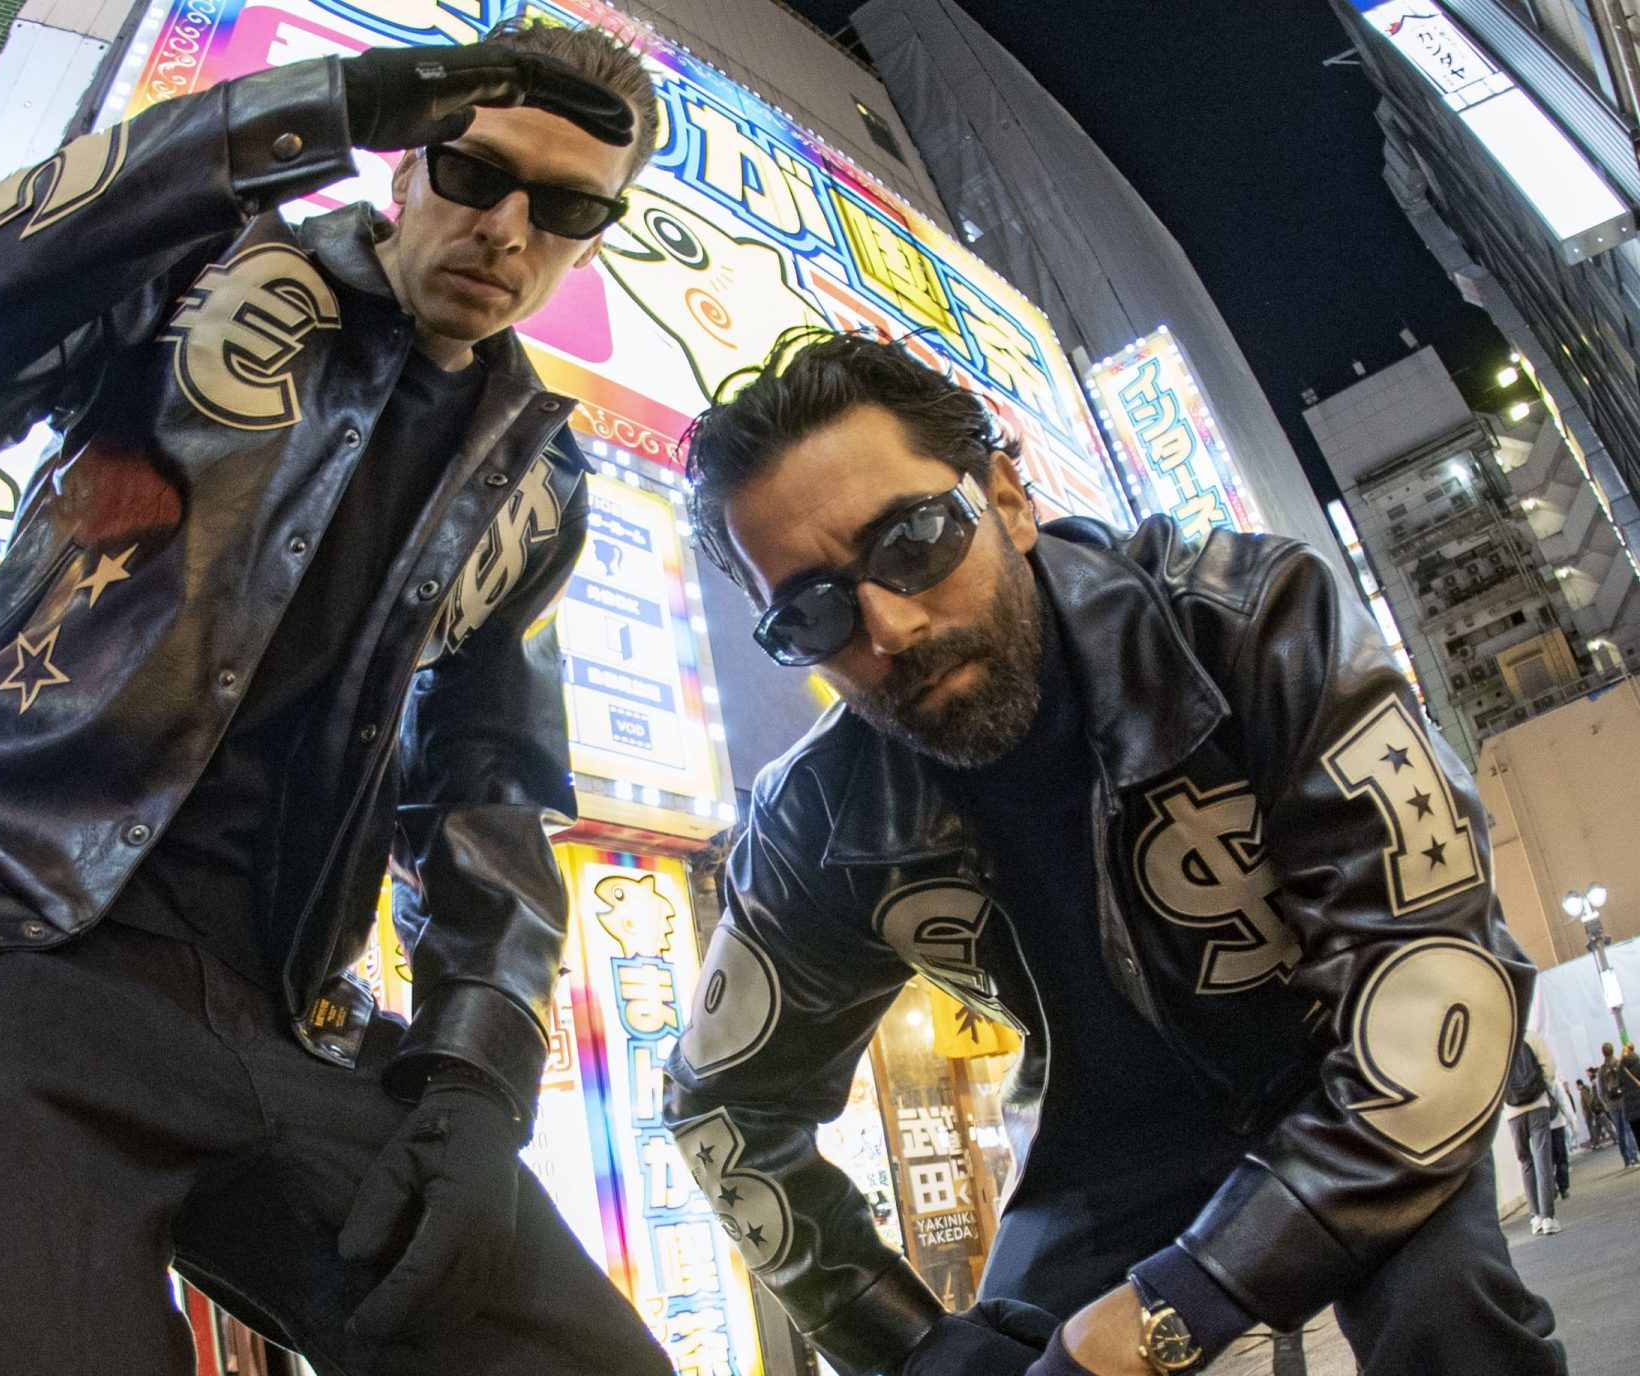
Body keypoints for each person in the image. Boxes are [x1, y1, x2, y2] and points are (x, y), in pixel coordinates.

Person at [0, 20, 673, 1376]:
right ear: (405, 167)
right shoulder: (210, 264)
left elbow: (488, 777)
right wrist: (306, 110)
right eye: (474, 174)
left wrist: (476, 1073)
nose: (507, 229)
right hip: (11, 930)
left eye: (568, 208)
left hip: (285, 1009)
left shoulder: (538, 477)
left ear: (595, 238)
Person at [664, 332, 1565, 1376]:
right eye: (812, 611)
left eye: (914, 539)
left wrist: (1178, 1302)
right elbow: (726, 1106)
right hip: (1105, 1150)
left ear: (1007, 498)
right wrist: (910, 1348)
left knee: (1451, 1323)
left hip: (1346, 1081)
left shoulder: (1251, 623)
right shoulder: (818, 817)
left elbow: (1442, 984)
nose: (890, 626)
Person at [1504, 1035, 1560, 1234]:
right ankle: (1548, 1218)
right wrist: (1543, 1088)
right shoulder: (1531, 1036)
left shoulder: (1500, 1040)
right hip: (1537, 1105)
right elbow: (1549, 1066)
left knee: (1525, 1162)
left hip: (1513, 1112)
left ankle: (1535, 1217)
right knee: (1542, 1161)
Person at [1594, 1042, 1638, 1166]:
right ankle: (1634, 1157)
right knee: (1628, 1129)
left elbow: (1601, 1091)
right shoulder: (1620, 1064)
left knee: (1619, 1131)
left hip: (1612, 1104)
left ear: (1603, 1053)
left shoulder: (1601, 1070)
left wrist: (1606, 1104)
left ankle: (1626, 1159)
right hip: (1623, 1101)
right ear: (1613, 1051)